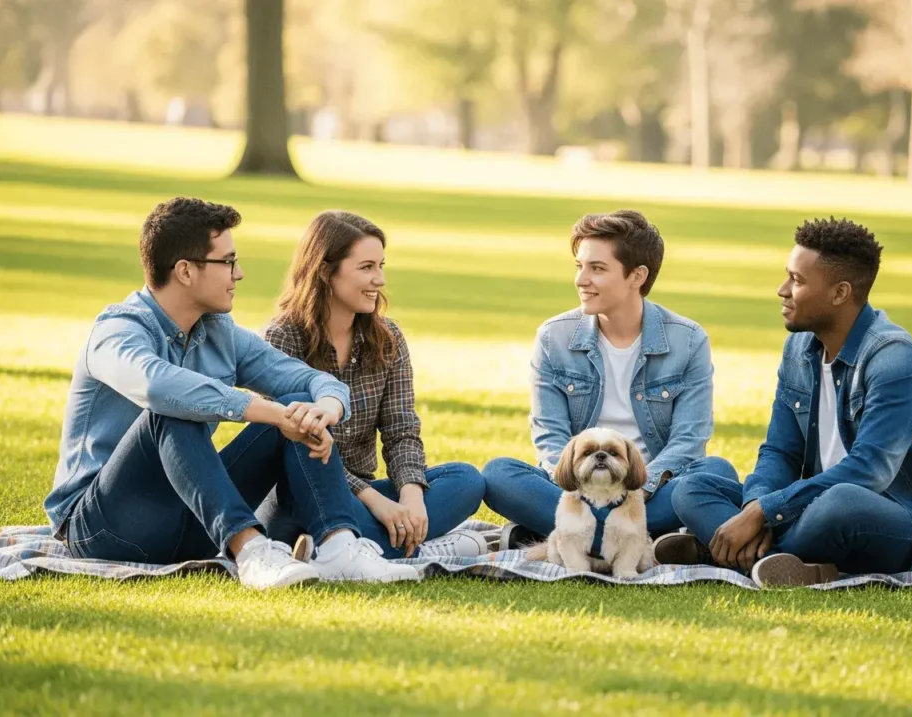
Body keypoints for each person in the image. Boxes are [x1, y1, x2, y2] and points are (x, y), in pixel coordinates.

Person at [45, 197, 419, 589]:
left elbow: (306, 378)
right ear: (186, 271)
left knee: (296, 405)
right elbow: (158, 386)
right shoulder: (117, 331)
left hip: (192, 521)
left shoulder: (218, 331)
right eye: (227, 262)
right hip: (103, 527)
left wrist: (324, 407)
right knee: (173, 409)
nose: (238, 273)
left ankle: (340, 547)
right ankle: (252, 551)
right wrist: (268, 412)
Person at [662, 217, 912, 586]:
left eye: (797, 280)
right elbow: (779, 452)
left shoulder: (894, 358)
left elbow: (870, 470)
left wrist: (765, 514)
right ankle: (792, 564)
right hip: (808, 510)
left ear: (840, 293)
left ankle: (721, 550)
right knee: (694, 486)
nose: (782, 290)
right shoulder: (799, 349)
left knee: (842, 503)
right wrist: (756, 507)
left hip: (898, 518)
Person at [481, 209, 738, 552]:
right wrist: (583, 494)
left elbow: (689, 440)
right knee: (499, 474)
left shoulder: (688, 340)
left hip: (652, 490)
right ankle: (642, 541)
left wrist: (635, 493)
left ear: (637, 276)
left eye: (597, 268)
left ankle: (571, 538)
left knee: (715, 472)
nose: (581, 280)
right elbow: (550, 436)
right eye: (579, 266)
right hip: (576, 489)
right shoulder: (554, 336)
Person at [256, 210, 488, 560]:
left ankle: (343, 548)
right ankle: (414, 548)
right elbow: (293, 441)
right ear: (325, 271)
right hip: (299, 495)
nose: (379, 279)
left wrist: (410, 497)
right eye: (366, 268)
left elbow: (401, 430)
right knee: (316, 490)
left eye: (381, 266)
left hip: (364, 499)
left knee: (466, 480)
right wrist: (375, 500)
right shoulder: (282, 338)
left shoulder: (387, 337)